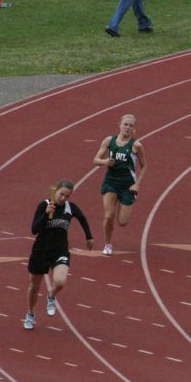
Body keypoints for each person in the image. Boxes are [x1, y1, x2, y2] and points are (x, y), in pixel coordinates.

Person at [24, 180, 94, 330]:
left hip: (60, 250)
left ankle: (51, 296)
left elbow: (82, 218)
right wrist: (46, 214)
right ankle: (30, 313)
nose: (63, 198)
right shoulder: (44, 205)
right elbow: (34, 229)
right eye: (61, 194)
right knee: (34, 287)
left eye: (67, 196)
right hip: (41, 251)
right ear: (56, 191)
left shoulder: (70, 208)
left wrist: (89, 237)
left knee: (60, 282)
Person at [93, 114, 148, 256]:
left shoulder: (136, 145)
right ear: (119, 125)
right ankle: (108, 244)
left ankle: (125, 202)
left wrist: (137, 185)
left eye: (131, 126)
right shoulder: (109, 141)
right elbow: (96, 160)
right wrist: (105, 162)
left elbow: (144, 166)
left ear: (134, 129)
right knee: (109, 216)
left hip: (127, 185)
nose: (128, 127)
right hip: (111, 182)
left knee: (123, 222)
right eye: (126, 124)